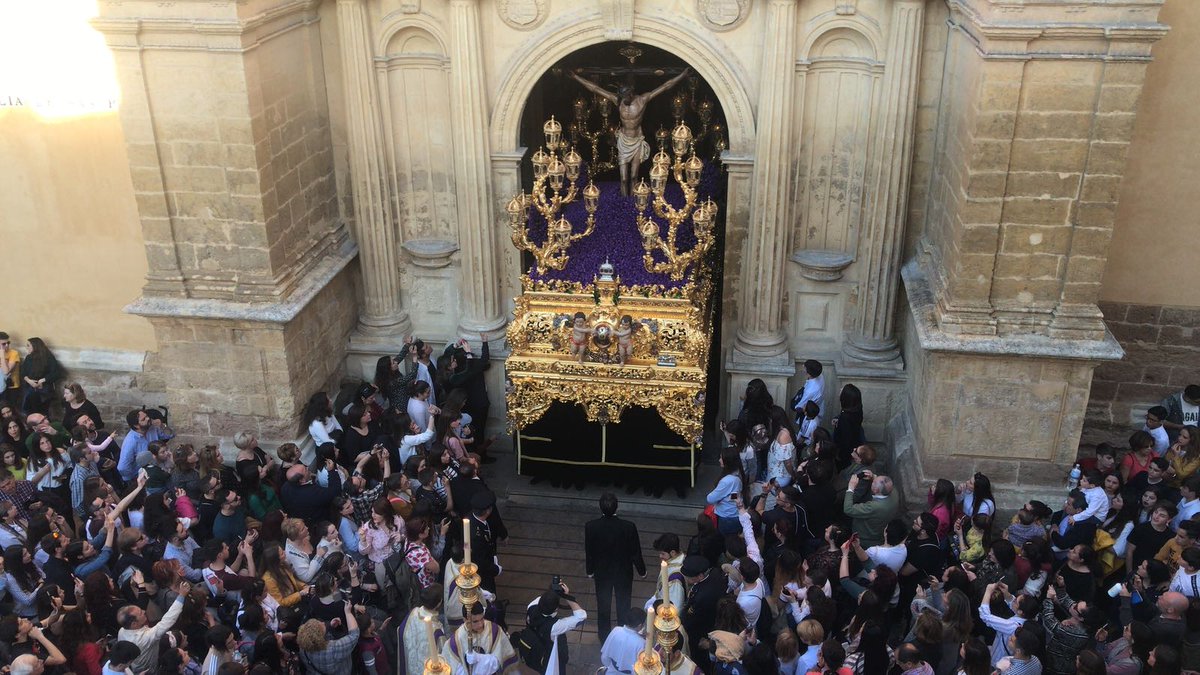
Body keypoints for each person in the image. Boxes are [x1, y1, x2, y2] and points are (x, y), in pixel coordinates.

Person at [569, 67, 691, 195]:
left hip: (637, 141)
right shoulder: (618, 100)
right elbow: (596, 89)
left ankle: (633, 204)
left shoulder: (642, 100)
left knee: (634, 176)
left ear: (631, 93)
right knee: (623, 178)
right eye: (622, 96)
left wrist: (682, 75)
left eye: (626, 96)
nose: (624, 99)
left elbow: (665, 86)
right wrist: (576, 77)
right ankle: (623, 202)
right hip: (623, 141)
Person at [585, 492, 646, 642]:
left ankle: (604, 637)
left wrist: (590, 570)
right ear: (617, 506)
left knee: (603, 606)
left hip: (602, 573)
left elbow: (589, 551)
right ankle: (623, 634)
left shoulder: (591, 526)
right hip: (623, 573)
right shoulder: (628, 527)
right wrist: (642, 570)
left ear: (600, 508)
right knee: (624, 605)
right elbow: (635, 551)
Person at [523, 585, 587, 675]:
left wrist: (552, 591)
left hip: (537, 651)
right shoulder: (554, 627)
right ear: (556, 609)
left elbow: (544, 598)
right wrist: (566, 596)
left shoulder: (531, 607)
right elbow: (582, 616)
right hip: (551, 658)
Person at [441, 601, 519, 675]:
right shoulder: (456, 640)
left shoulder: (494, 630)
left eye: (482, 619)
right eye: (475, 621)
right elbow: (454, 668)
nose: (480, 624)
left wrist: (480, 658)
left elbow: (499, 659)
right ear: (465, 620)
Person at [296, 600, 360, 675]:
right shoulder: (333, 649)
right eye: (322, 625)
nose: (323, 623)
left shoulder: (303, 647)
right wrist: (348, 613)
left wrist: (329, 626)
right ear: (320, 638)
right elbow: (354, 634)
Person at [843, 471, 898, 548]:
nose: (872, 482)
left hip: (865, 538)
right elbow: (884, 484)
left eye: (873, 483)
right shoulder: (894, 492)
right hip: (879, 533)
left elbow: (848, 509)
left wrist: (850, 488)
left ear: (876, 491)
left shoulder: (873, 507)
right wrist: (873, 477)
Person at [117, 408, 174, 483]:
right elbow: (122, 468)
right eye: (144, 419)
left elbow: (170, 435)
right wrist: (136, 478)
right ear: (136, 425)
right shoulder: (131, 442)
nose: (148, 419)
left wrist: (163, 425)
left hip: (158, 470)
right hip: (142, 478)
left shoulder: (152, 428)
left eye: (147, 416)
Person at [600, 607, 648, 674]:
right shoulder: (641, 643)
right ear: (640, 625)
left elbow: (605, 656)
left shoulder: (616, 630)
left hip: (611, 671)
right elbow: (641, 668)